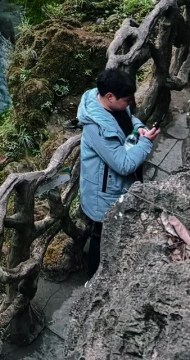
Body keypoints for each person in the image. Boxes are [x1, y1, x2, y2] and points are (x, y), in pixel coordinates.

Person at [77, 67, 160, 277]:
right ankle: (93, 278)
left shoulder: (114, 106)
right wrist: (146, 143)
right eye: (127, 100)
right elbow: (123, 165)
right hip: (103, 192)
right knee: (100, 234)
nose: (130, 104)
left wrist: (139, 127)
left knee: (110, 230)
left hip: (115, 186)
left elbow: (130, 118)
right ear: (110, 97)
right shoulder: (97, 127)